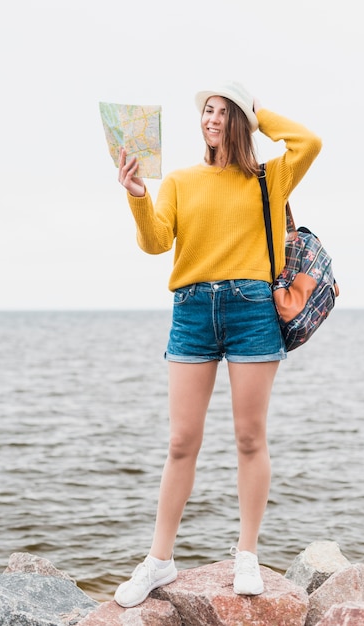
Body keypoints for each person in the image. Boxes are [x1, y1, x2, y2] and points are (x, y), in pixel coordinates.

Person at [114, 80, 322, 608]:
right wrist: (138, 196)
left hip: (252, 309)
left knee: (250, 437)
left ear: (238, 121)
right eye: (206, 110)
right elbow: (157, 242)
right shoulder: (181, 180)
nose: (209, 118)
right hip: (191, 312)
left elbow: (309, 143)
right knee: (182, 441)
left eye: (220, 111)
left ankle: (246, 553)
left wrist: (259, 111)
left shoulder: (268, 179)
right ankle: (159, 560)